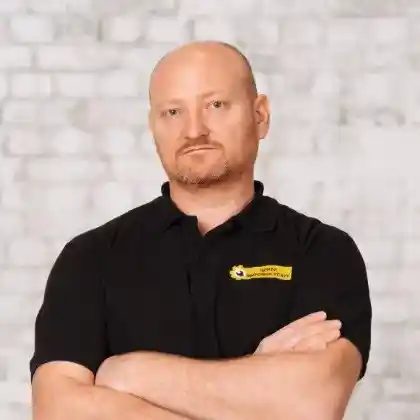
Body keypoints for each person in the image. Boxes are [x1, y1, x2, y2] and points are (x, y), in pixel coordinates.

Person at [30, 40, 372, 420]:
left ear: (260, 116)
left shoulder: (322, 252)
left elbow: (311, 405)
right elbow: (58, 410)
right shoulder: (91, 259)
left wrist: (129, 374)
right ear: (153, 127)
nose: (194, 130)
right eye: (173, 112)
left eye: (216, 105)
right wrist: (256, 387)